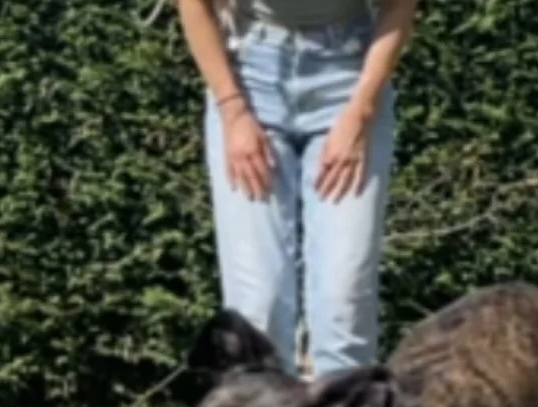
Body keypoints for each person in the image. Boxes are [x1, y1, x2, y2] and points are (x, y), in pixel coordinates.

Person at [178, 0, 417, 378]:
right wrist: (233, 111)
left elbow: (400, 5)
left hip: (349, 79)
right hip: (248, 80)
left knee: (344, 299)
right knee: (258, 308)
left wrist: (361, 112)